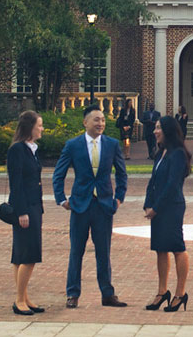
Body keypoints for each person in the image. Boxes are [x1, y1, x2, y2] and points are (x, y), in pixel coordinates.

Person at [52, 107, 129, 308]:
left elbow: (122, 174)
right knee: (76, 251)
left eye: (103, 120)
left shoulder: (112, 144)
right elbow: (58, 174)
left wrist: (119, 198)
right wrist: (61, 199)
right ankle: (73, 294)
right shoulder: (73, 145)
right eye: (96, 120)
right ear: (85, 123)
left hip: (104, 206)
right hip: (79, 206)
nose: (101, 124)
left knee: (103, 252)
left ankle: (107, 294)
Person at [143, 116, 192, 313]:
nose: (155, 131)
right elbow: (153, 181)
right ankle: (162, 291)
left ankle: (180, 293)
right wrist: (147, 204)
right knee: (160, 249)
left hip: (171, 207)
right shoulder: (160, 153)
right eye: (155, 128)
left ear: (169, 131)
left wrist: (156, 208)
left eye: (158, 128)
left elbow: (172, 185)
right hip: (157, 207)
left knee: (177, 247)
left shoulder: (178, 154)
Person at [7, 110, 46, 316]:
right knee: (29, 255)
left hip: (33, 207)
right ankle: (19, 300)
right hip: (25, 209)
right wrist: (22, 211)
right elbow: (17, 184)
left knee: (20, 255)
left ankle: (24, 296)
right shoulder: (17, 150)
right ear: (29, 127)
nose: (41, 128)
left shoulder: (32, 149)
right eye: (39, 125)